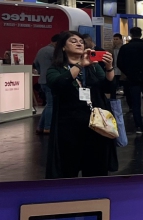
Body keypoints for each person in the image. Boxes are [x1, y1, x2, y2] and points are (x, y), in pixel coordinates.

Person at [45, 31, 117, 179]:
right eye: (73, 41)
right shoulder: (56, 69)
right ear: (63, 47)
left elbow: (108, 88)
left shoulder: (94, 67)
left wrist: (109, 67)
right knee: (68, 170)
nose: (79, 43)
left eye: (81, 42)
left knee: (96, 170)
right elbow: (58, 85)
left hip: (96, 126)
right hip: (69, 128)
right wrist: (80, 65)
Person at [117, 26, 143, 134]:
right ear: (140, 34)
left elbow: (119, 63)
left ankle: (139, 126)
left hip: (132, 79)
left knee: (135, 103)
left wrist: (128, 73)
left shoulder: (125, 48)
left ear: (131, 35)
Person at [33, 33, 60, 135]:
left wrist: (42, 73)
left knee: (49, 104)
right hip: (50, 81)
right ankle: (48, 127)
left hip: (42, 80)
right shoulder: (54, 52)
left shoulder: (41, 50)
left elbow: (35, 64)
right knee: (51, 105)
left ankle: (40, 127)